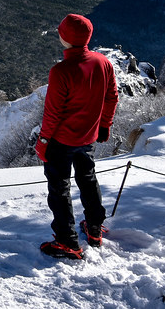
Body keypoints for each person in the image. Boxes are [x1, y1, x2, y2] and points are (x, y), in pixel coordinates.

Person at [35, 13, 118, 259]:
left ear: (65, 38)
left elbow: (52, 114)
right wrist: (104, 126)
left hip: (61, 141)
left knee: (59, 189)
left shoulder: (61, 71)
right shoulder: (103, 63)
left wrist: (43, 142)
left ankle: (67, 242)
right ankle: (94, 229)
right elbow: (111, 97)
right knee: (88, 179)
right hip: (88, 137)